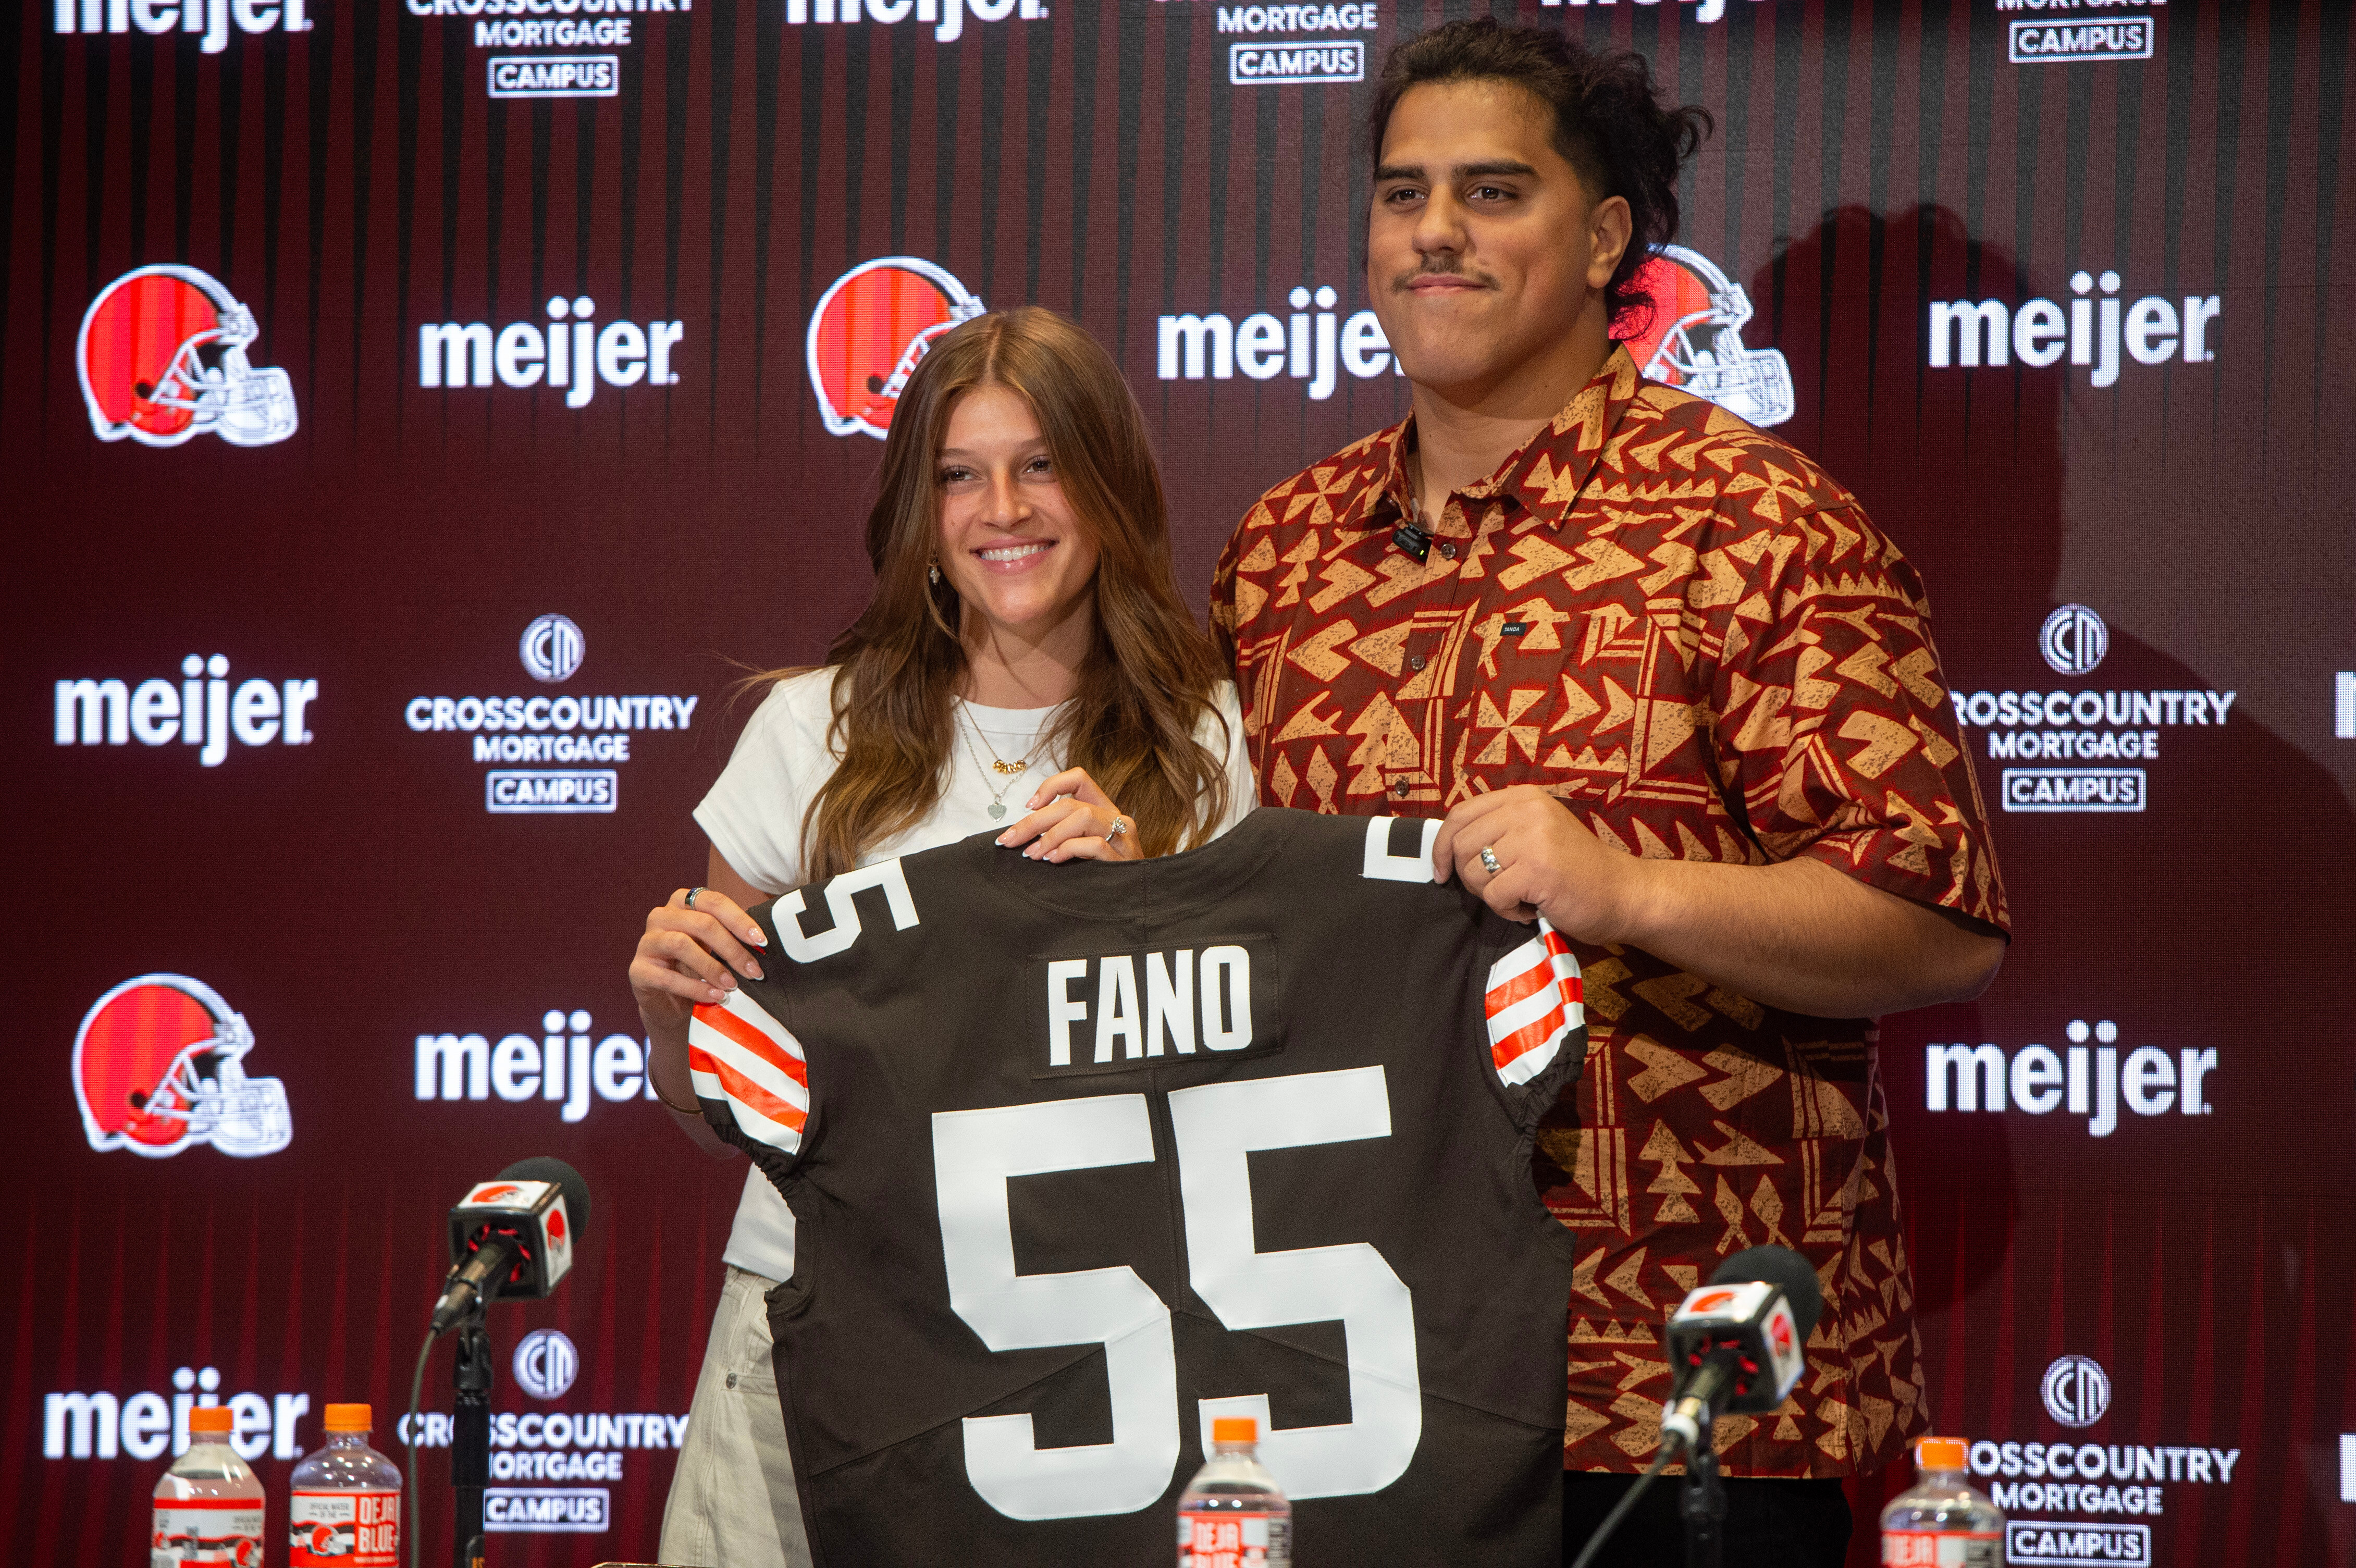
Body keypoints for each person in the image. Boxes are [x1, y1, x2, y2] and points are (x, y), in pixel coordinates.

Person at [1207, 20, 2009, 1567]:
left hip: (1674, 1404)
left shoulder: (1762, 520)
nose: (1433, 230)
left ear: (1606, 240)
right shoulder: (1284, 546)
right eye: (1402, 193)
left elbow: (1934, 920)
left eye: (1494, 191)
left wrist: (1626, 887)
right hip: (1344, 1374)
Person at [630, 304, 1257, 1568]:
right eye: (957, 475)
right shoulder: (809, 733)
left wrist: (1145, 911)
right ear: (920, 509)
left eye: (1039, 464)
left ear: (1110, 486)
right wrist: (666, 1013)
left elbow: (1245, 1087)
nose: (1000, 509)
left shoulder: (1213, 745)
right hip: (816, 1320)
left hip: (1100, 1332)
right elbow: (718, 1103)